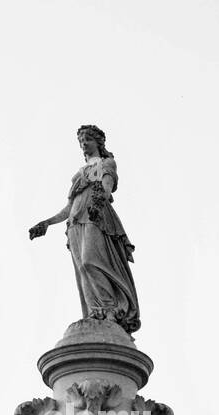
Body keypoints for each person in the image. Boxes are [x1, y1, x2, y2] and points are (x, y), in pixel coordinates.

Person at [29, 125, 140, 335]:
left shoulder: (106, 163)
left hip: (96, 217)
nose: (83, 145)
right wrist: (46, 223)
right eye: (81, 142)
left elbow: (106, 188)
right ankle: (95, 313)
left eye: (87, 140)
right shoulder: (79, 174)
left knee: (91, 261)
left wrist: (98, 204)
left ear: (97, 142)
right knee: (82, 269)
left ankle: (110, 311)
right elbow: (69, 207)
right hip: (75, 222)